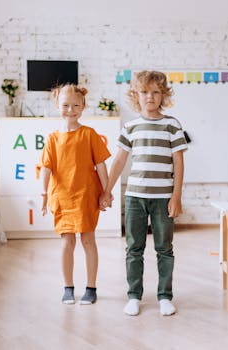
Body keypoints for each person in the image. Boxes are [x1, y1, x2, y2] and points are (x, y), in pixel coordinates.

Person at [100, 70, 188, 316]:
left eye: (156, 92)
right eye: (144, 92)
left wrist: (176, 196)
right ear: (135, 95)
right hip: (135, 197)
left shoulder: (172, 125)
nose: (150, 96)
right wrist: (107, 191)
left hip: (163, 199)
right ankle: (134, 296)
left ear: (163, 95)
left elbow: (178, 162)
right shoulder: (131, 126)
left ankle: (164, 296)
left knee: (164, 248)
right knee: (134, 248)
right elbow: (118, 161)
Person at [40, 84, 111, 305]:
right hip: (61, 196)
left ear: (83, 107)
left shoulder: (89, 134)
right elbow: (46, 168)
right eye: (65, 105)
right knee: (66, 242)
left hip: (86, 196)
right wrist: (44, 193)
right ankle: (68, 287)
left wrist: (106, 192)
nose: (70, 110)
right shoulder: (53, 138)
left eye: (76, 106)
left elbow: (101, 166)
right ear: (57, 105)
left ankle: (91, 288)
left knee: (88, 240)